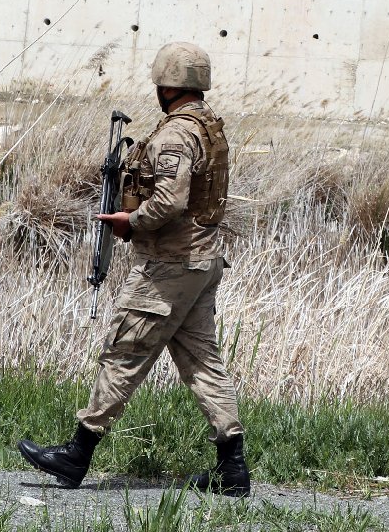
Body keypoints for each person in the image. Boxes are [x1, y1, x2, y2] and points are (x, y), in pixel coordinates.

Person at [19, 42, 249, 496]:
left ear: (166, 85)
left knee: (124, 353)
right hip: (200, 263)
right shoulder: (208, 128)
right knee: (204, 363)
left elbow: (170, 200)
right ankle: (233, 468)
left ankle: (77, 455)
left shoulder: (176, 135)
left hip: (169, 266)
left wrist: (131, 222)